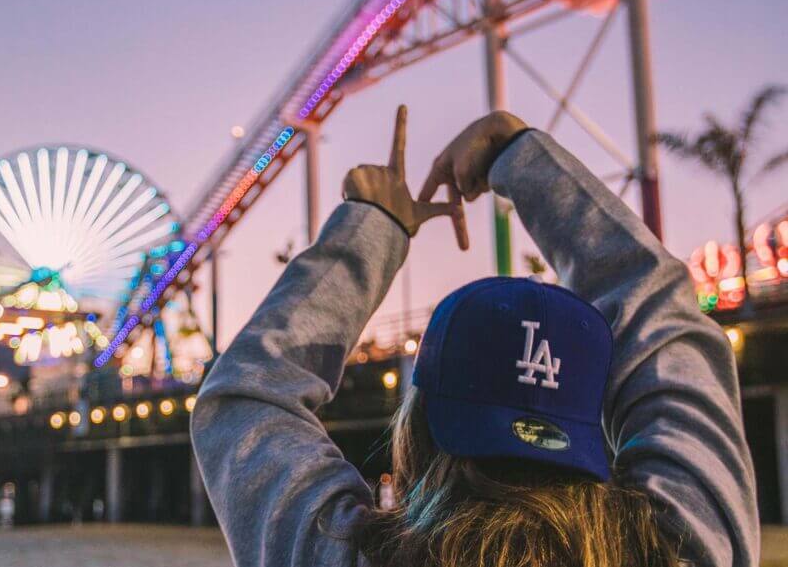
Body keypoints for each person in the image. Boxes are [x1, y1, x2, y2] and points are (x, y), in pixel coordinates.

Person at [190, 106, 758, 567]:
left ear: (417, 426)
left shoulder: (342, 557)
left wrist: (371, 230)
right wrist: (523, 156)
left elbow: (244, 397)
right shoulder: (683, 549)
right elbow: (663, 310)